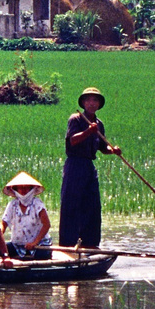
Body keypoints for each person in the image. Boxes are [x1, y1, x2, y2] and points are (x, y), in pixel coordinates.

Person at [59, 87, 120, 249]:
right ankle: (67, 244)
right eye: (88, 100)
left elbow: (102, 147)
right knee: (71, 204)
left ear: (99, 104)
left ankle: (90, 244)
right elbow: (73, 140)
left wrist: (113, 151)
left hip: (88, 165)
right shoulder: (76, 119)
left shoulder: (99, 124)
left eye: (95, 100)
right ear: (84, 103)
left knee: (92, 205)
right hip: (74, 164)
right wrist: (88, 131)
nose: (92, 103)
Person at [1, 171, 52, 260]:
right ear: (15, 189)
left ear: (31, 188)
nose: (23, 190)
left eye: (26, 187)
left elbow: (46, 225)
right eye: (20, 188)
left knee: (41, 256)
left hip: (39, 245)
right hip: (18, 245)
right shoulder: (12, 204)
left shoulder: (37, 204)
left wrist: (34, 243)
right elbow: (4, 224)